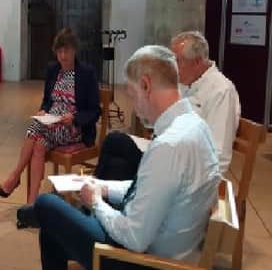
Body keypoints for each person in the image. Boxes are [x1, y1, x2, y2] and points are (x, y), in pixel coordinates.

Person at [23, 45, 221, 270]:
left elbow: (134, 237)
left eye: (132, 93)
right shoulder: (194, 125)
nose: (133, 105)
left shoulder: (169, 146)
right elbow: (149, 189)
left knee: (47, 206)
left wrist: (95, 202)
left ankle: (35, 216)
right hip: (160, 252)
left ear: (146, 85)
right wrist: (103, 187)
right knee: (54, 220)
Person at [94, 31, 240, 180]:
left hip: (184, 168)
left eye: (178, 61)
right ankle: (95, 193)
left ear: (197, 62)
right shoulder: (184, 82)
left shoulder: (221, 91)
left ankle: (97, 194)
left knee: (116, 151)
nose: (173, 66)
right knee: (115, 151)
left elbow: (219, 156)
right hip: (167, 148)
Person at [0, 28, 100, 204]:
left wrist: (74, 119)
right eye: (59, 51)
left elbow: (94, 111)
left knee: (35, 131)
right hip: (50, 123)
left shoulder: (86, 73)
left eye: (66, 50)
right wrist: (43, 111)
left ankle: (15, 176)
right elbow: (47, 100)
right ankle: (32, 203)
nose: (62, 55)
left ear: (74, 50)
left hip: (73, 128)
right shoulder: (53, 69)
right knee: (38, 144)